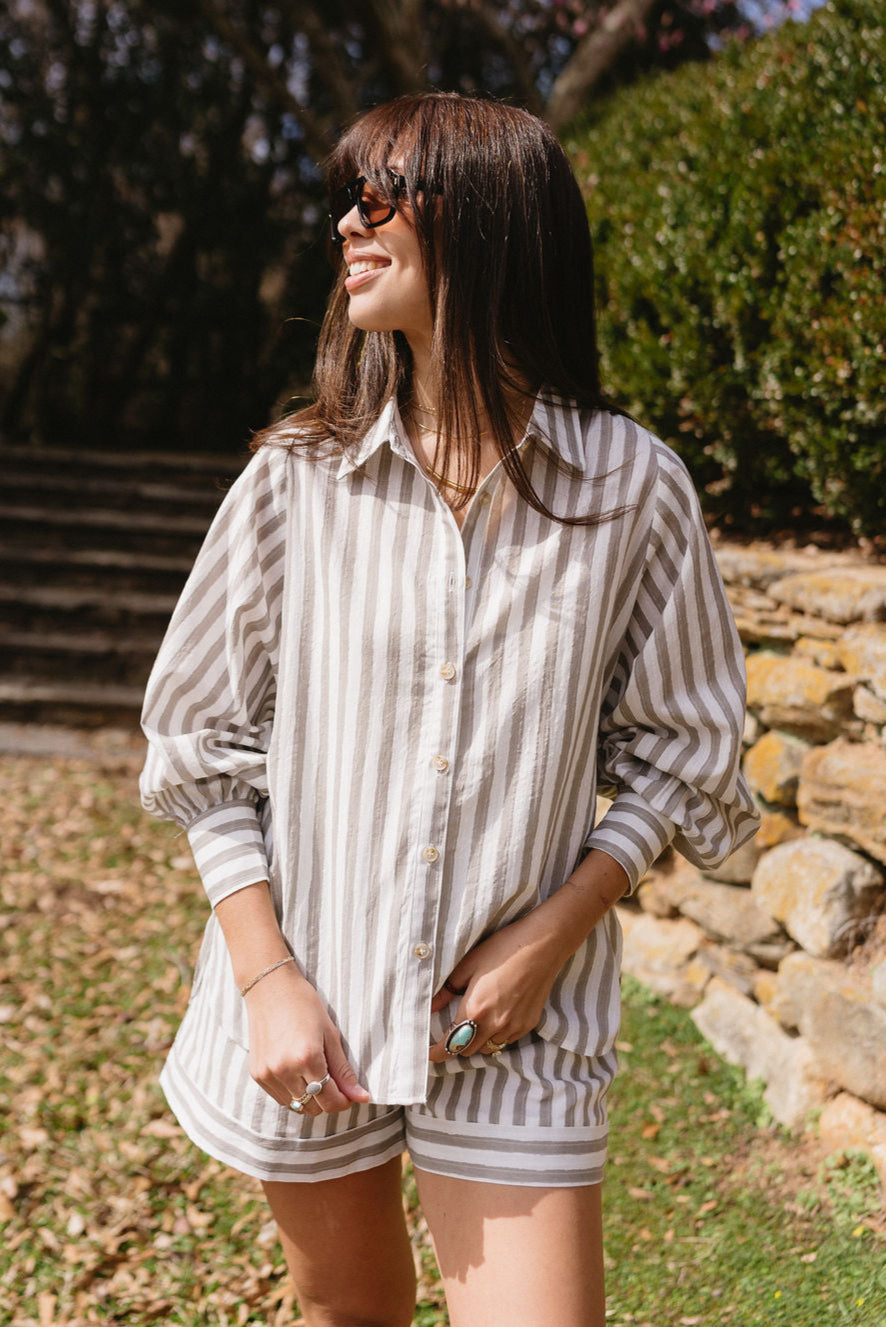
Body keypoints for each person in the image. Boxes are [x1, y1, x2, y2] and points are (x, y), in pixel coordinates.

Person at [140, 92, 759, 1327]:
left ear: (487, 220)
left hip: (515, 1028)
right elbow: (202, 742)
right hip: (306, 1009)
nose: (346, 225)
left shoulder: (631, 488)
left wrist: (554, 934)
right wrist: (266, 977)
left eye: (381, 195)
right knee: (354, 1313)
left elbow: (683, 744)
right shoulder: (293, 483)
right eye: (343, 198)